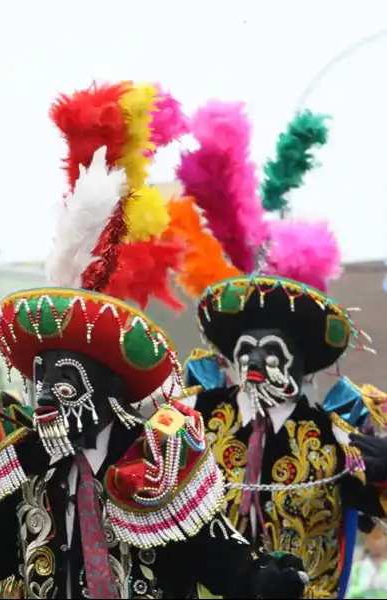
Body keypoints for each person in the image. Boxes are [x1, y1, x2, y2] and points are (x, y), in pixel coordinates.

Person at [0, 82, 309, 599]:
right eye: (39, 380)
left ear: (110, 389)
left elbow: (219, 555)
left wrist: (262, 580)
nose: (43, 395)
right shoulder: (29, 469)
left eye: (62, 381)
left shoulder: (159, 460)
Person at [168, 101, 387, 598]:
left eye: (272, 350)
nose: (257, 361)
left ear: (302, 362)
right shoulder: (194, 419)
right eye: (247, 348)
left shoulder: (336, 433)